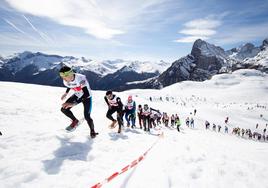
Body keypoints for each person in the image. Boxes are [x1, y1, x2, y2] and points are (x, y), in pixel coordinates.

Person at [59, 66, 98, 138]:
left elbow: (86, 94)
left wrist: (74, 103)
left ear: (71, 74)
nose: (63, 78)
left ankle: (92, 131)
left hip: (87, 97)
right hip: (77, 94)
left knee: (87, 116)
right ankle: (75, 121)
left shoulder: (81, 79)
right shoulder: (66, 80)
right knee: (64, 109)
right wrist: (66, 93)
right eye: (61, 76)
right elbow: (69, 84)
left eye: (65, 76)